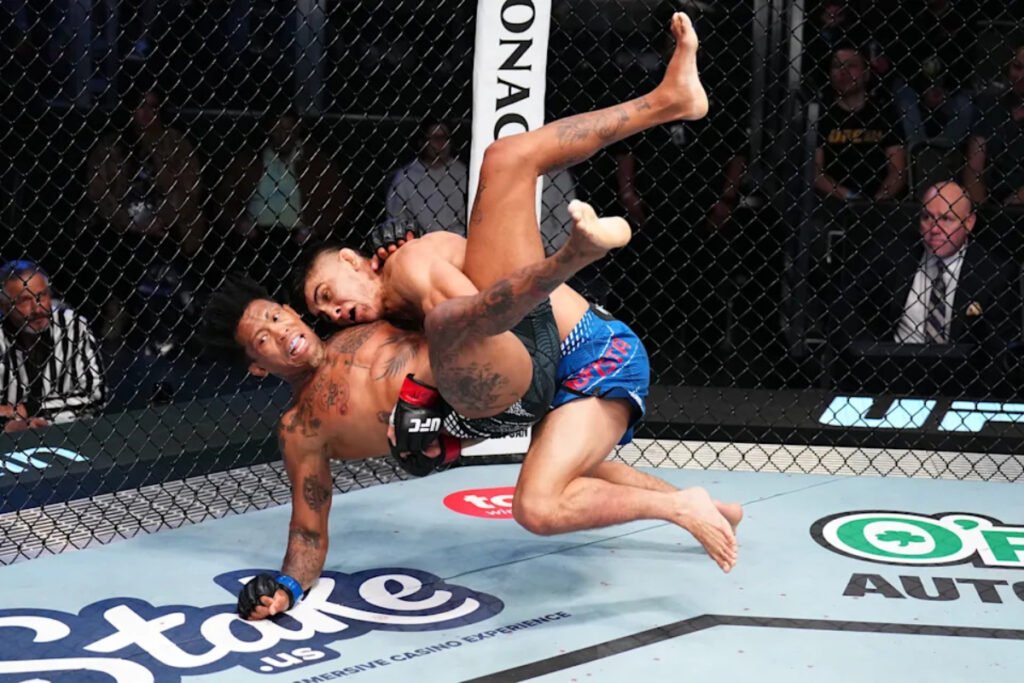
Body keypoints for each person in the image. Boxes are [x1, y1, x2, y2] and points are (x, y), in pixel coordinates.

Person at [203, 12, 739, 621]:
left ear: (350, 263)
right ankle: (696, 505)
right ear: (257, 367)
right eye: (265, 339)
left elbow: (456, 301)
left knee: (504, 160)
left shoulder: (390, 293)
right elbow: (308, 531)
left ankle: (665, 105)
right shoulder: (302, 427)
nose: (290, 329)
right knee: (540, 499)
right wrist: (286, 587)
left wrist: (404, 287)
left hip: (573, 349)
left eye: (281, 316)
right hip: (525, 386)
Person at [0, 260, 105, 431]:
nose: (37, 308)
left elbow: (96, 394)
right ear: (4, 307)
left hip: (70, 431)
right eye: (24, 300)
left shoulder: (72, 325)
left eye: (41, 296)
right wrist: (9, 424)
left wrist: (29, 410)